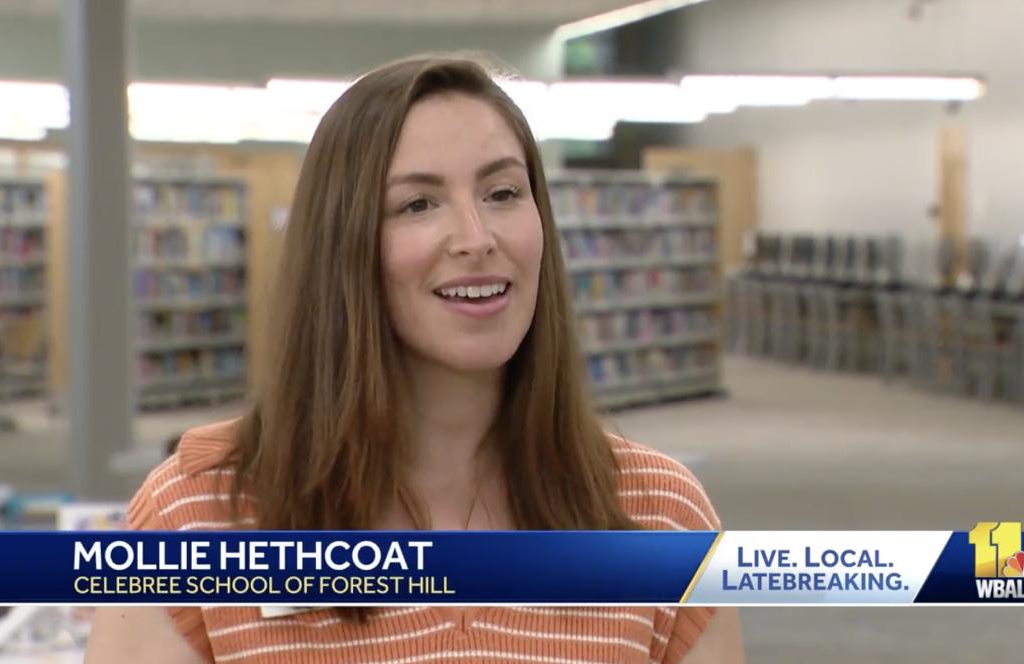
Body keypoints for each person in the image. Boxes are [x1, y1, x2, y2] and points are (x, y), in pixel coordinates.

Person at [85, 53, 745, 663]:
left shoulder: (662, 514)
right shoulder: (195, 520)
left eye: (503, 193)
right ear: (343, 247)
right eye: (418, 204)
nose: (476, 239)